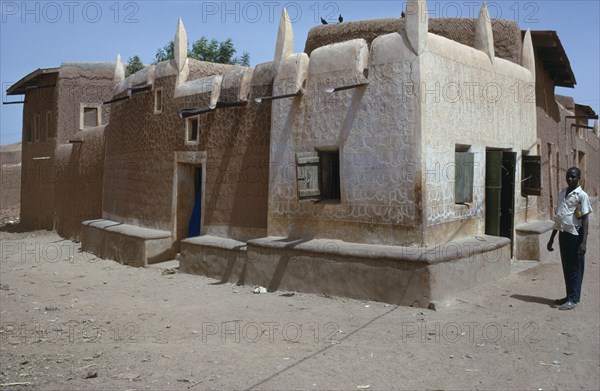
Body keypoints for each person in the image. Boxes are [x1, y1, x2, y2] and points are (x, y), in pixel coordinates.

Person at [547, 167, 592, 310]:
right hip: (563, 234)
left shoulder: (582, 195)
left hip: (575, 235)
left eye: (573, 177)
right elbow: (559, 217)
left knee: (576, 267)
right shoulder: (562, 193)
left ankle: (573, 299)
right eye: (568, 176)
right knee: (567, 267)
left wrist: (584, 243)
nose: (570, 179)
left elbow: (585, 219)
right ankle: (569, 296)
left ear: (579, 178)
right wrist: (552, 238)